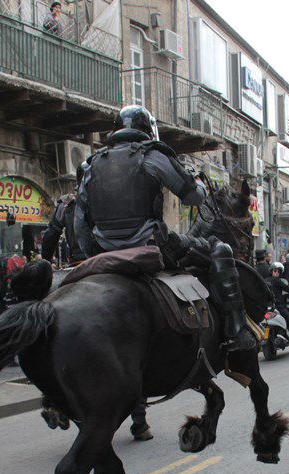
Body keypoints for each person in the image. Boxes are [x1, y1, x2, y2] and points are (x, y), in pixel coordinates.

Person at [74, 104, 255, 351]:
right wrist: (198, 183)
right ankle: (237, 330)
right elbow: (194, 198)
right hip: (151, 243)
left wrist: (94, 255)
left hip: (103, 249)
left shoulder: (91, 165)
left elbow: (80, 223)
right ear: (148, 129)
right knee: (219, 248)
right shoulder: (153, 155)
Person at [266, 262, 289, 355]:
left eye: (278, 272)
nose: (276, 273)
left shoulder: (265, 281)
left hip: (267, 308)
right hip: (278, 307)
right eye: (275, 271)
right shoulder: (277, 281)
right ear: (271, 271)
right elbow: (287, 288)